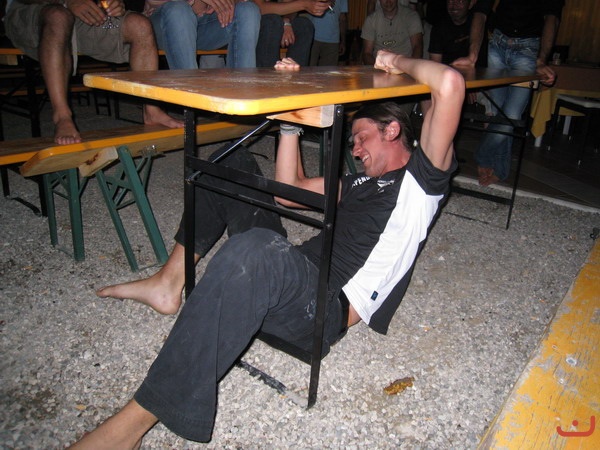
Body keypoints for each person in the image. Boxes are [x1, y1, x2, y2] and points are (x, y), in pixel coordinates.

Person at [71, 51, 464, 446]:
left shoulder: (420, 185)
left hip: (322, 310)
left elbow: (448, 84)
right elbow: (289, 193)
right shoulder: (358, 183)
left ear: (392, 130)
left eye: (361, 138)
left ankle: (131, 426)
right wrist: (291, 117)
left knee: (256, 250)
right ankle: (168, 284)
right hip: (293, 279)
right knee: (234, 164)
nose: (356, 149)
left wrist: (395, 60)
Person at [3, 0, 182, 145]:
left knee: (139, 24)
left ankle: (151, 109)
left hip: (84, 14)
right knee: (58, 15)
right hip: (34, 9)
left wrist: (116, 5)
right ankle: (62, 116)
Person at [462, 0, 563, 186]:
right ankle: (500, 169)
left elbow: (552, 17)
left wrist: (541, 60)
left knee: (511, 116)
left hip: (528, 49)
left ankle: (483, 155)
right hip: (497, 44)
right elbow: (480, 11)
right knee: (499, 113)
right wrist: (472, 55)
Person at [143, 0, 260, 69]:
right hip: (164, 23)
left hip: (205, 24)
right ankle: (189, 95)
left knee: (248, 10)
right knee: (178, 10)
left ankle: (242, 90)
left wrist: (226, 4)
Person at [253, 0, 331, 67]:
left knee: (304, 25)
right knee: (272, 22)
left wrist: (286, 22)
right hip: (256, 22)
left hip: (278, 22)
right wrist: (304, 4)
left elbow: (290, 7)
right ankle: (268, 75)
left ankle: (295, 74)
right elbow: (259, 7)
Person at [361, 0, 423, 66]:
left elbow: (417, 47)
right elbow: (367, 53)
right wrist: (378, 68)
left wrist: (411, 67)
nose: (388, 2)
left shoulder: (411, 16)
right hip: (379, 68)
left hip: (406, 66)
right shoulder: (371, 20)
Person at [306, 0, 347, 66]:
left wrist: (343, 41)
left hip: (333, 39)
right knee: (309, 69)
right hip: (312, 36)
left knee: (328, 70)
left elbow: (342, 19)